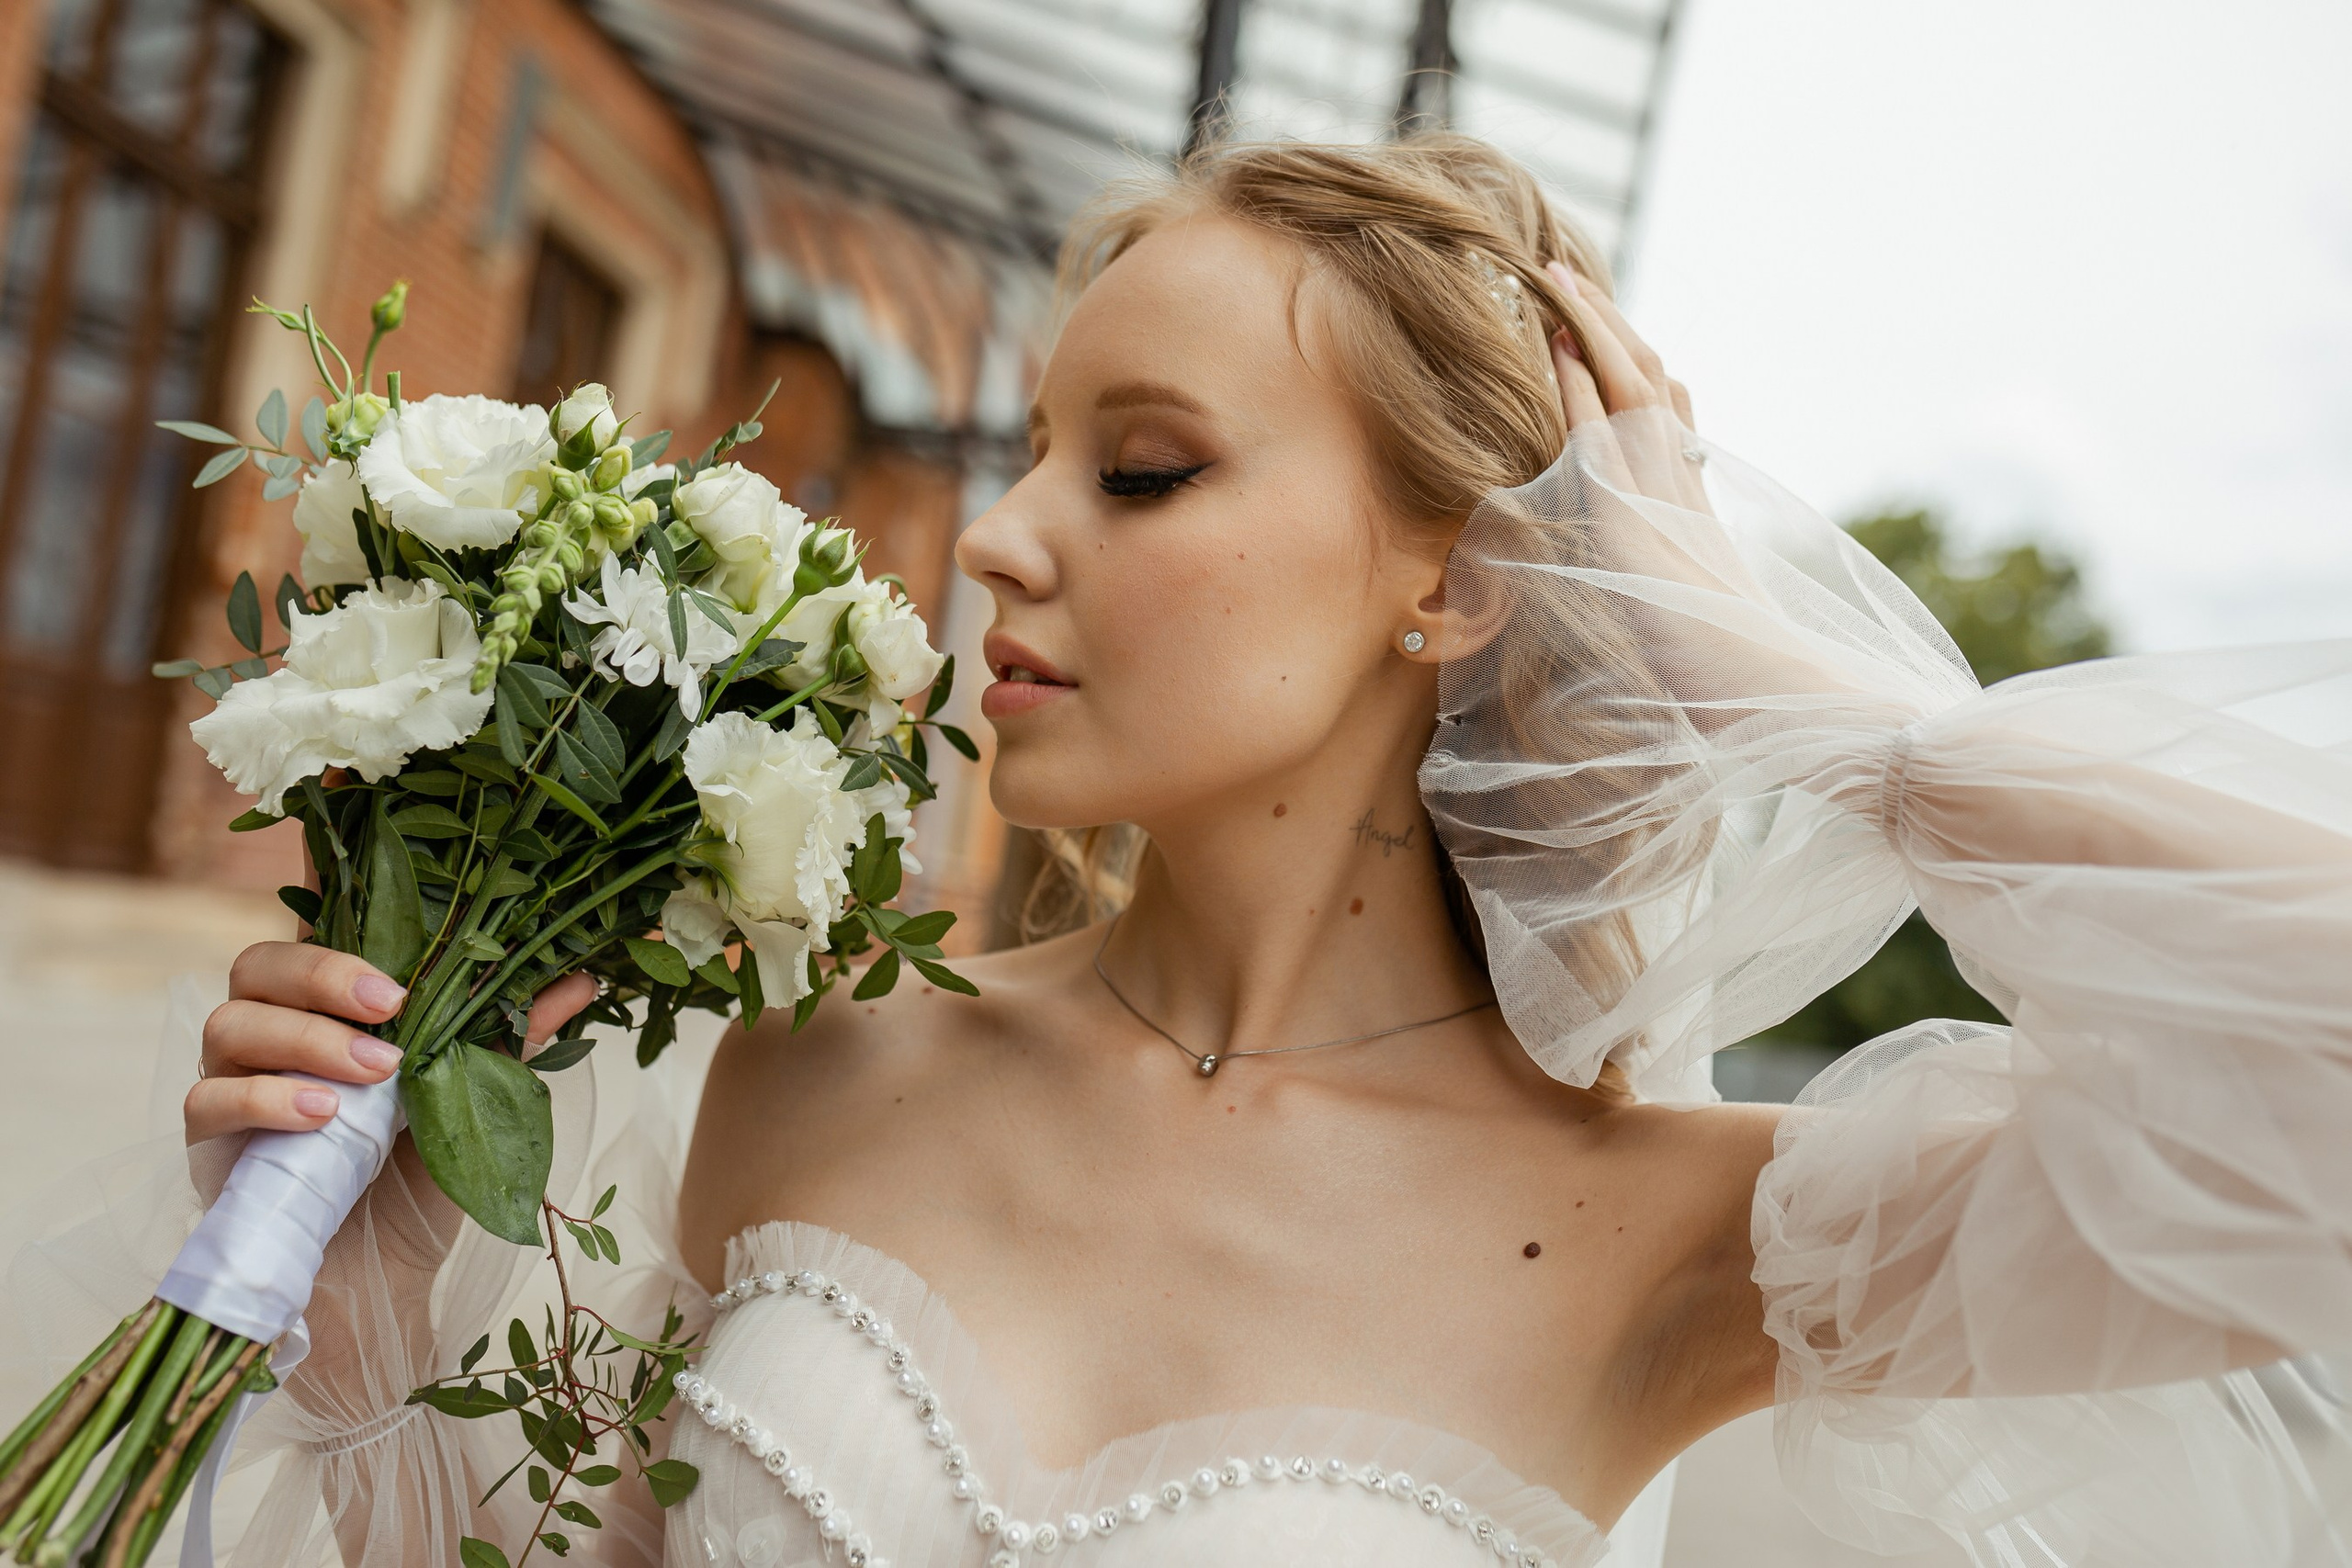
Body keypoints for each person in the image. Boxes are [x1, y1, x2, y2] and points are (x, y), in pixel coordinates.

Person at [174, 136, 2352, 1567]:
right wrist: (368, 1321)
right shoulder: (816, 1066)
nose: (998, 533)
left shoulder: (1685, 1229)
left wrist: (1791, 687)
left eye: (1138, 470)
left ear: (1457, 579)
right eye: (1028, 449)